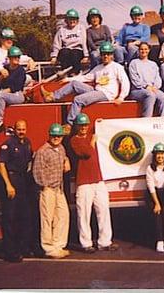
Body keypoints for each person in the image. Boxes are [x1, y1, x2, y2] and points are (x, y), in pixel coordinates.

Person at [41, 42, 130, 125]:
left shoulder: (117, 67)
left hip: (106, 94)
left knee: (78, 100)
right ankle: (52, 96)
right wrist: (68, 79)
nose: (105, 56)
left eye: (108, 54)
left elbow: (125, 82)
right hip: (96, 90)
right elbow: (86, 77)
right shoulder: (98, 67)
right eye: (103, 54)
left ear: (112, 55)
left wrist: (121, 97)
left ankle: (69, 124)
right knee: (74, 83)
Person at [70, 113, 119, 252]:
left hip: (98, 180)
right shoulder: (75, 140)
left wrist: (101, 124)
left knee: (103, 211)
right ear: (77, 127)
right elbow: (87, 152)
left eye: (85, 125)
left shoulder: (92, 135)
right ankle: (86, 243)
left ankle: (104, 242)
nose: (83, 127)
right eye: (81, 125)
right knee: (84, 214)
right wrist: (92, 141)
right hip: (84, 182)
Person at [32, 123, 71, 259]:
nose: (56, 138)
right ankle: (48, 248)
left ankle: (58, 245)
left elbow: (64, 159)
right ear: (49, 135)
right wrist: (45, 186)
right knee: (47, 219)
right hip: (47, 188)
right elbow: (37, 171)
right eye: (54, 135)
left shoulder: (61, 148)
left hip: (58, 189)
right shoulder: (43, 151)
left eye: (59, 136)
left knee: (63, 215)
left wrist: (67, 161)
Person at [0, 120, 33, 262]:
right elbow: (1, 164)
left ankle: (22, 248)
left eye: (23, 129)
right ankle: (9, 252)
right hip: (11, 180)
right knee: (9, 217)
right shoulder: (8, 144)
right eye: (19, 129)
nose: (21, 131)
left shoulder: (27, 143)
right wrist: (8, 185)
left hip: (23, 180)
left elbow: (30, 159)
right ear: (14, 130)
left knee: (24, 216)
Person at [0, 46, 26, 144]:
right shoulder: (5, 68)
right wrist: (0, 78)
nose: (17, 59)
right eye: (14, 57)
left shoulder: (21, 71)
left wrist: (0, 93)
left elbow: (16, 87)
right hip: (4, 93)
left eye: (18, 57)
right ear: (9, 58)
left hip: (17, 94)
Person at [0, 27, 35, 95]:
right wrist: (1, 70)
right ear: (1, 39)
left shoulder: (13, 51)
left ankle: (13, 92)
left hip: (10, 78)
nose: (10, 41)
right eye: (7, 38)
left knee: (28, 78)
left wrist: (30, 60)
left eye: (11, 39)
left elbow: (23, 58)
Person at [145, 143, 164, 252]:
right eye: (158, 154)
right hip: (153, 194)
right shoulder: (150, 168)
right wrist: (156, 203)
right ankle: (159, 241)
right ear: (154, 156)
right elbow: (151, 186)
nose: (160, 156)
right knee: (157, 215)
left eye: (162, 154)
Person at [128, 42, 164, 117]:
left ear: (149, 50)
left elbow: (157, 78)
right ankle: (147, 119)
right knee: (150, 95)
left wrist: (155, 87)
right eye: (141, 49)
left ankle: (163, 119)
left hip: (153, 88)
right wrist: (146, 86)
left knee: (163, 97)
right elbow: (135, 79)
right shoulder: (133, 63)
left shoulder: (153, 64)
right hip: (137, 90)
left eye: (146, 49)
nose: (144, 51)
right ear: (138, 50)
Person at [50, 8, 89, 74]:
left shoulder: (81, 28)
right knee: (64, 52)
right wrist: (54, 56)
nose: (72, 21)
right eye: (70, 19)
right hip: (66, 50)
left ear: (77, 20)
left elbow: (84, 42)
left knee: (75, 53)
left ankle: (75, 72)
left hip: (77, 50)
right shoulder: (62, 30)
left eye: (74, 19)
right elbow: (57, 44)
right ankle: (64, 72)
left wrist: (86, 56)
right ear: (66, 20)